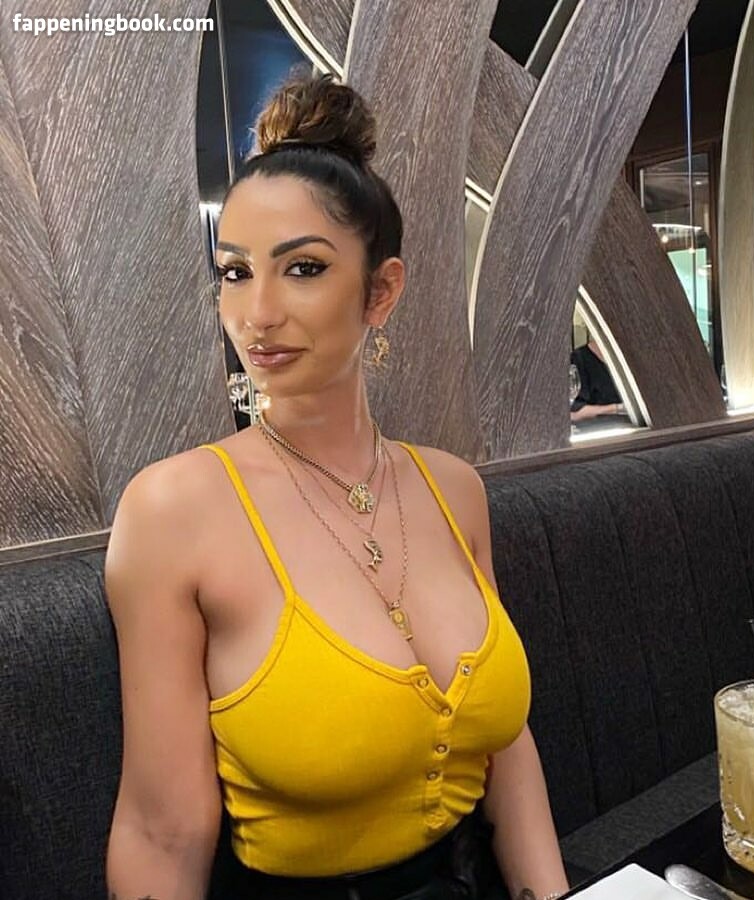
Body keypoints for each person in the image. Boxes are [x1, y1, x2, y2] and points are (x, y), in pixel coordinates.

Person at [104, 72, 569, 900]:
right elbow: (160, 831)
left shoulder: (453, 488)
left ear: (379, 291)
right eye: (235, 273)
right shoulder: (174, 512)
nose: (258, 313)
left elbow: (507, 746)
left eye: (304, 268)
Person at [569, 340, 624, 422]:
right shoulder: (578, 359)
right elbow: (574, 413)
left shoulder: (632, 360)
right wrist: (618, 408)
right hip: (594, 427)